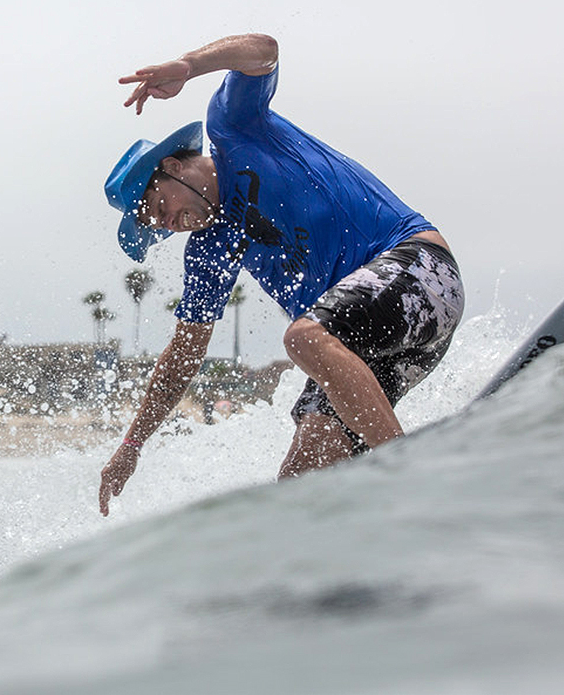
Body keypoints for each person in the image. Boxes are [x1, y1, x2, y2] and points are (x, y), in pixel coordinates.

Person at [99, 34, 465, 516]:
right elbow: (183, 356)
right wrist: (131, 445)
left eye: (161, 206)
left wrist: (190, 65)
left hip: (422, 274)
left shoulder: (235, 128)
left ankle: (414, 489)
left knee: (304, 337)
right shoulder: (209, 250)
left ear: (172, 167)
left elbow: (262, 49)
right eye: (157, 224)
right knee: (299, 483)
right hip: (366, 348)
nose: (167, 223)